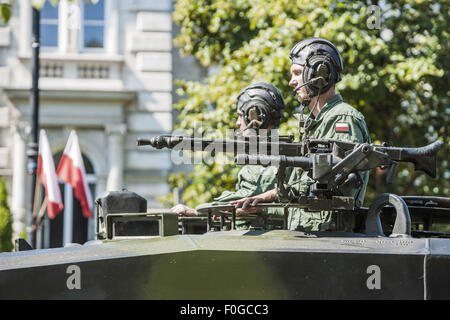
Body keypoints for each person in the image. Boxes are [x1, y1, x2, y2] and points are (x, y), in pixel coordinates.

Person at [231, 38, 371, 232]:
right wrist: (264, 198)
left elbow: (342, 181)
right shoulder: (315, 123)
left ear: (320, 74)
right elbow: (303, 183)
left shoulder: (342, 118)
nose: (291, 82)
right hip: (309, 235)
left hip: (329, 236)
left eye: (297, 73)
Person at [171, 82, 286, 229]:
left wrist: (197, 212)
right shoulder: (266, 154)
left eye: (240, 116)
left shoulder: (267, 164)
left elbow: (238, 204)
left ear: (256, 117)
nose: (238, 123)